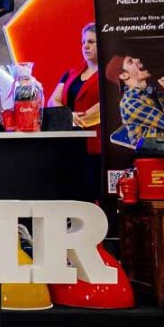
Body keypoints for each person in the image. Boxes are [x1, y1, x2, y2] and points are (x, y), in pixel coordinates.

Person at [48, 24, 101, 199]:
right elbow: (53, 100)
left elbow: (106, 105)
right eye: (83, 42)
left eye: (91, 42)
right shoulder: (71, 73)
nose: (86, 46)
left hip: (96, 146)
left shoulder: (110, 74)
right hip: (68, 143)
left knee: (93, 194)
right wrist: (68, 115)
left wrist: (83, 119)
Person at [105, 55, 164, 156]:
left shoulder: (150, 92)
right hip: (155, 152)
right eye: (130, 62)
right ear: (124, 75)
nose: (137, 59)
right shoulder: (130, 102)